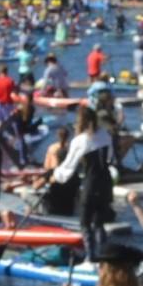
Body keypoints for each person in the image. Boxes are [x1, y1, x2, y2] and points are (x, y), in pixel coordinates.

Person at [49, 106, 116, 260]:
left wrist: (56, 176)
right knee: (99, 223)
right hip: (106, 182)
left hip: (91, 183)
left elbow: (68, 166)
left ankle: (91, 258)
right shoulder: (105, 134)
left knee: (85, 223)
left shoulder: (80, 141)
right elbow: (110, 156)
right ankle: (105, 258)